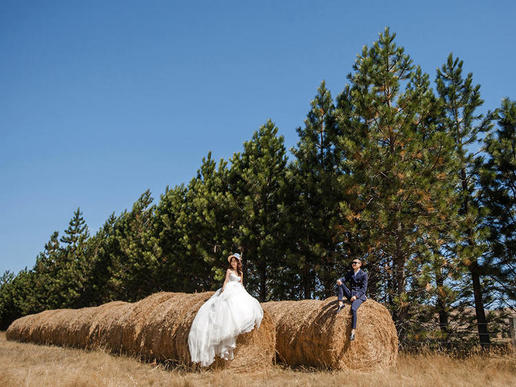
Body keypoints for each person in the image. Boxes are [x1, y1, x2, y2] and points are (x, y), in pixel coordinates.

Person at [188, 253, 263, 367]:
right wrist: (223, 291)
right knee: (227, 309)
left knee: (245, 307)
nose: (233, 263)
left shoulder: (241, 273)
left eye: (235, 261)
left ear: (238, 263)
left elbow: (241, 284)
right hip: (229, 290)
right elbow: (226, 281)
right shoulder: (229, 271)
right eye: (232, 261)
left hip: (238, 290)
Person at [336, 258, 368, 341]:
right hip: (351, 294)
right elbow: (344, 279)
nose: (353, 264)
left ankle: (353, 331)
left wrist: (356, 296)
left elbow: (363, 289)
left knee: (353, 309)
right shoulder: (350, 273)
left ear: (360, 264)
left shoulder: (364, 274)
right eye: (353, 262)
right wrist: (339, 280)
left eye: (355, 263)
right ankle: (340, 303)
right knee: (340, 284)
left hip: (359, 296)